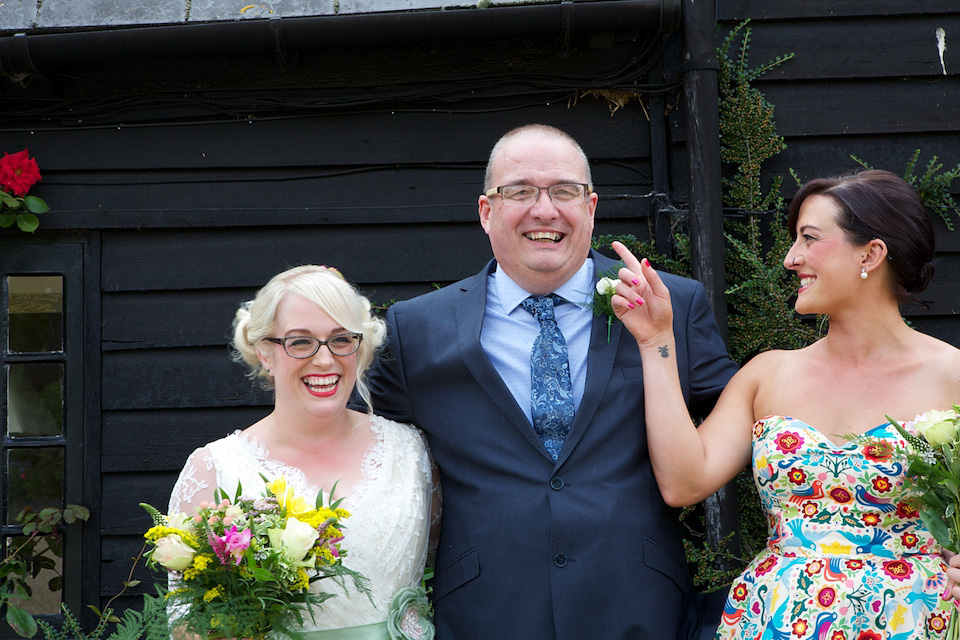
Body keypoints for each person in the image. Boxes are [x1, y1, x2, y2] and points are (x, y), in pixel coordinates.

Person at [363, 124, 739, 639]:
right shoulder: (417, 328)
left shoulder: (671, 304)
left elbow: (753, 424)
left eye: (565, 191)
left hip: (640, 605)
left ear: (591, 207)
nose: (545, 210)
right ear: (485, 211)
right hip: (485, 611)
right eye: (519, 191)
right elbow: (363, 449)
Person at [610, 169, 959, 639]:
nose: (791, 258)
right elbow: (683, 481)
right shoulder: (767, 374)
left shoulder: (951, 376)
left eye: (809, 239)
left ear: (871, 254)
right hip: (777, 620)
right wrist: (656, 342)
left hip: (914, 622)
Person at [168, 265, 440, 639]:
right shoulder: (215, 470)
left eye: (341, 339)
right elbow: (188, 625)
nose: (325, 360)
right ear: (265, 351)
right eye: (300, 342)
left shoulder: (412, 453)